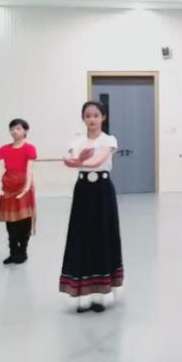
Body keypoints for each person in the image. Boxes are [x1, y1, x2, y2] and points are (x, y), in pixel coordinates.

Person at [59, 101, 123, 313]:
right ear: (83, 118)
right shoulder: (77, 140)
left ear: (103, 117)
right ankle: (82, 295)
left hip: (102, 191)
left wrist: (77, 162)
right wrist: (76, 159)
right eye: (88, 115)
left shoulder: (109, 140)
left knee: (102, 236)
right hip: (83, 191)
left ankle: (102, 295)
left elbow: (96, 161)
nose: (92, 119)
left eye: (96, 115)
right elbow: (67, 159)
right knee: (81, 237)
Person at [0, 118, 37, 265]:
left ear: (25, 131)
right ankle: (13, 252)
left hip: (23, 186)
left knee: (24, 220)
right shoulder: (4, 149)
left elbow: (30, 169)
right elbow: (0, 168)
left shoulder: (29, 148)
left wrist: (27, 186)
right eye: (12, 129)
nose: (14, 131)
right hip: (8, 187)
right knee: (10, 222)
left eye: (18, 128)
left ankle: (23, 251)